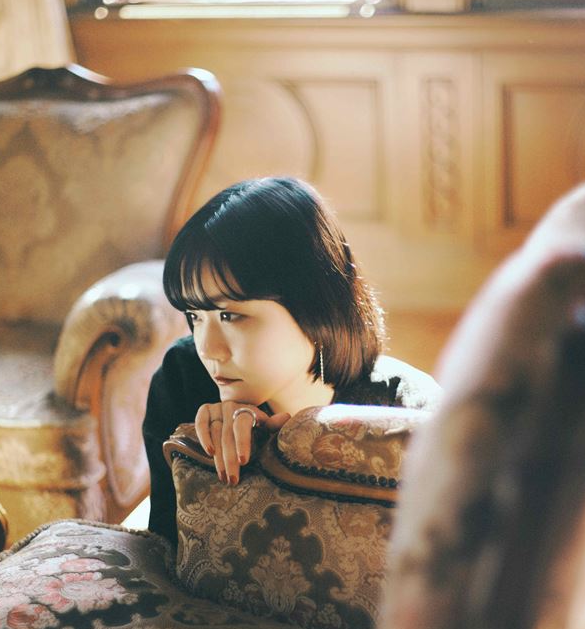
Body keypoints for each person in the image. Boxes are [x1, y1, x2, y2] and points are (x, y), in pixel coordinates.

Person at [142, 176, 442, 544]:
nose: (208, 349)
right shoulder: (181, 380)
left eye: (230, 316)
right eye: (195, 316)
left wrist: (288, 446)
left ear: (315, 308)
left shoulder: (408, 416)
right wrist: (209, 461)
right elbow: (166, 551)